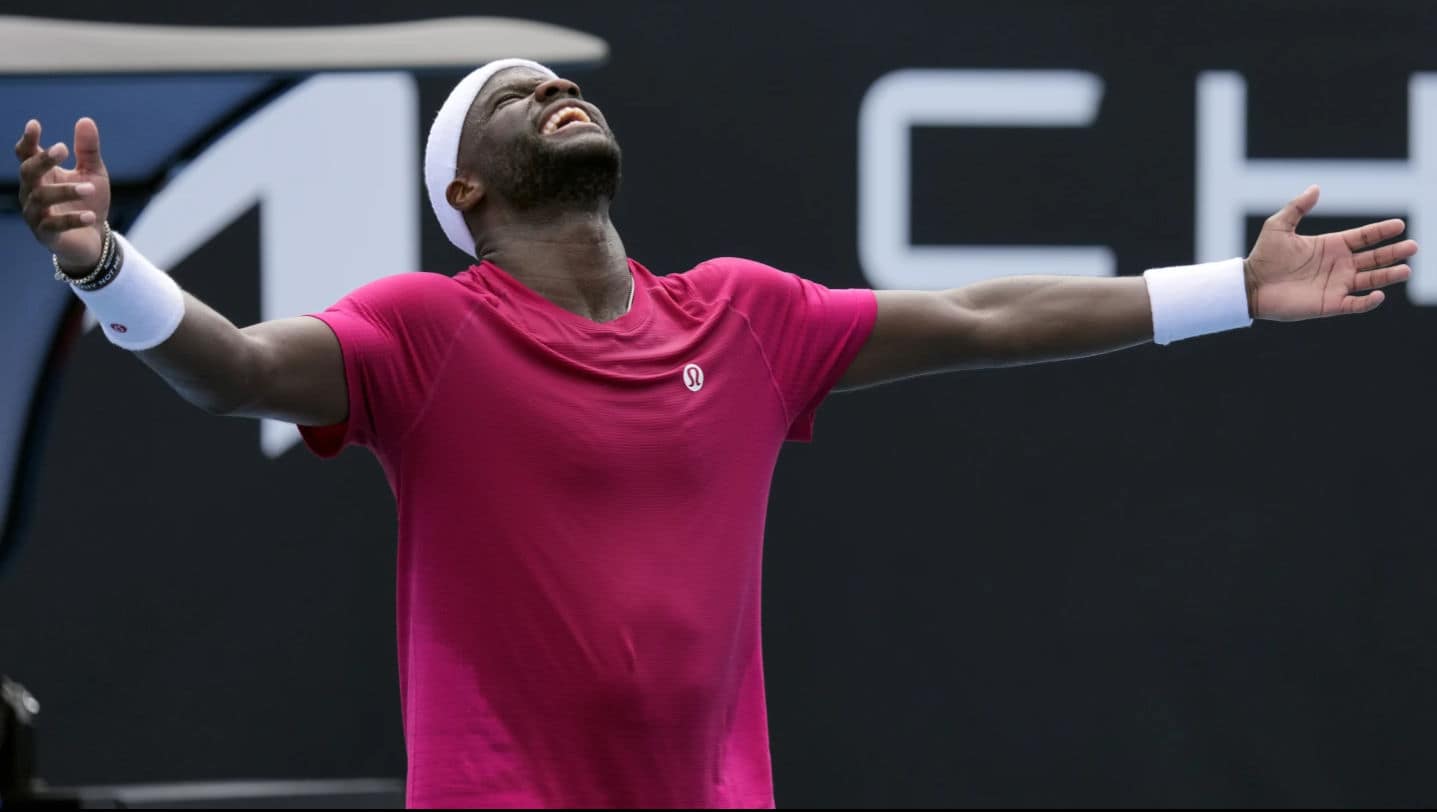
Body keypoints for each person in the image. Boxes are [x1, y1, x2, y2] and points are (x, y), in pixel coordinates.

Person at [12, 58, 1415, 809]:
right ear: (469, 196)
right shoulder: (424, 334)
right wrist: (101, 270)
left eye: (555, 84)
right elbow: (237, 372)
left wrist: (1230, 289)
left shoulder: (747, 316)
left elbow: (989, 315)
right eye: (507, 101)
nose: (549, 92)